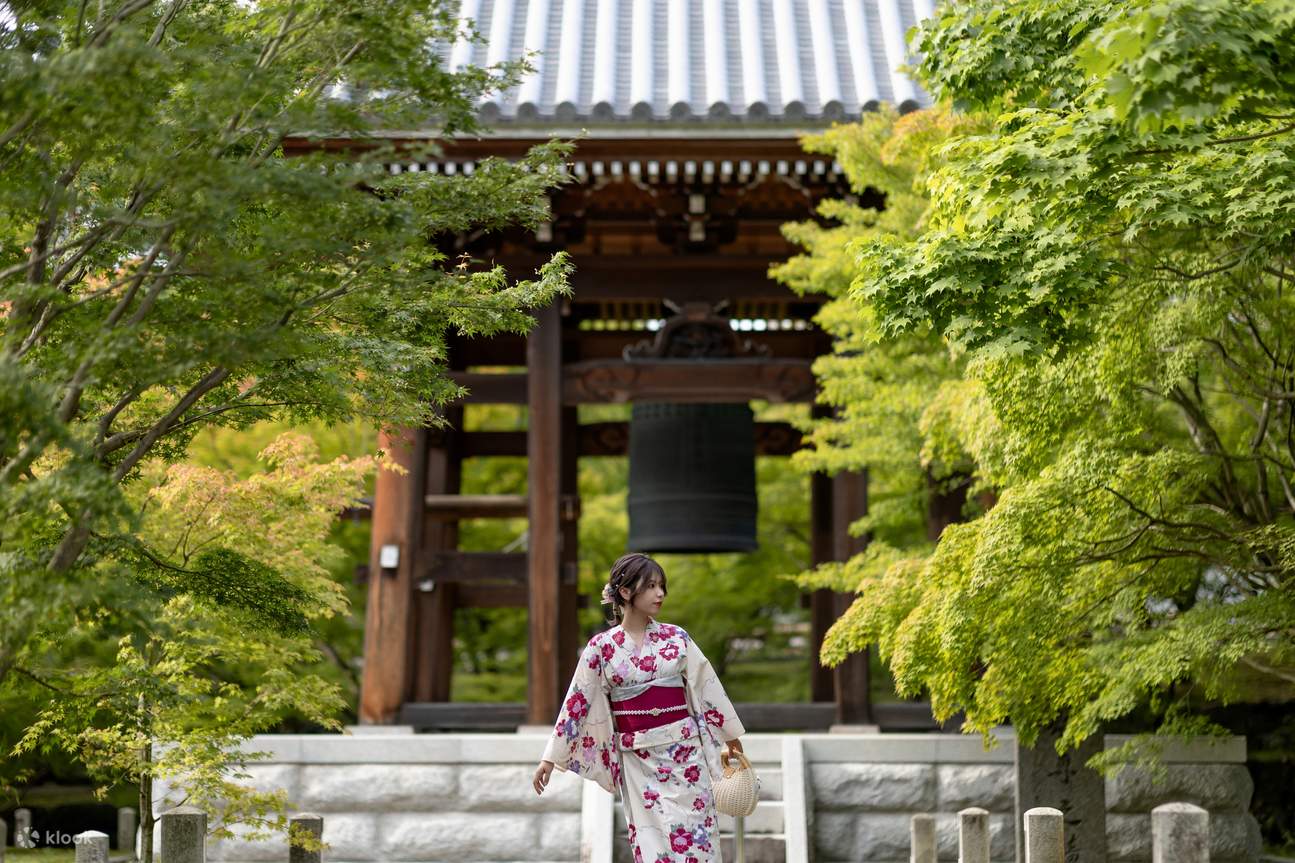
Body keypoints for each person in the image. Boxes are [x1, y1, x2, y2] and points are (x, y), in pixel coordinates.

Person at [532, 552, 746, 863]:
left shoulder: (676, 638)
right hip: (637, 761)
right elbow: (578, 700)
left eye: (662, 586)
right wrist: (551, 757)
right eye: (651, 586)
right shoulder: (601, 647)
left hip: (685, 754)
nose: (660, 594)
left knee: (698, 841)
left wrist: (730, 736)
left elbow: (706, 686)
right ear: (625, 591)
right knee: (652, 847)